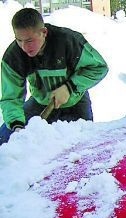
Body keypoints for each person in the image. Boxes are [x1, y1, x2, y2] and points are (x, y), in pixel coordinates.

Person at [0, 8, 108, 145]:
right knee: (4, 139)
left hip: (76, 103)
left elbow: (99, 67)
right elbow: (11, 97)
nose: (24, 47)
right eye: (19, 40)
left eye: (29, 40)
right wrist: (17, 126)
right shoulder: (13, 57)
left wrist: (70, 87)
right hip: (40, 103)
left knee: (84, 148)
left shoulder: (68, 41)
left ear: (43, 32)